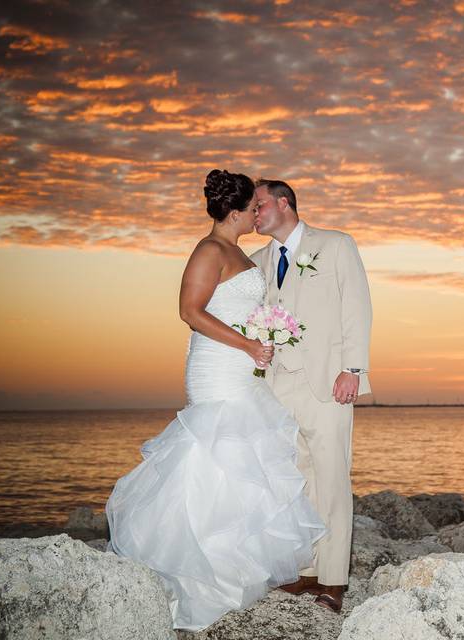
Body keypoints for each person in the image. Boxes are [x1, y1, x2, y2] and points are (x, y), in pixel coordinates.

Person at [106, 170, 325, 631]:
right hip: (217, 368)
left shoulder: (238, 252)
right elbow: (190, 311)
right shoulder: (208, 250)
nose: (257, 214)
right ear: (235, 212)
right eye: (252, 209)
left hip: (242, 367)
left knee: (242, 457)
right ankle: (201, 578)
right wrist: (247, 345)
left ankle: (235, 569)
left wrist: (262, 337)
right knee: (214, 454)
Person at [250, 179, 372, 613]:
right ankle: (304, 570)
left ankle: (334, 580)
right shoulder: (257, 261)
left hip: (327, 382)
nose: (255, 213)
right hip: (277, 386)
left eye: (260, 204)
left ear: (284, 203)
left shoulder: (335, 245)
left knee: (333, 480)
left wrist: (353, 368)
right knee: (297, 481)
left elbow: (357, 305)